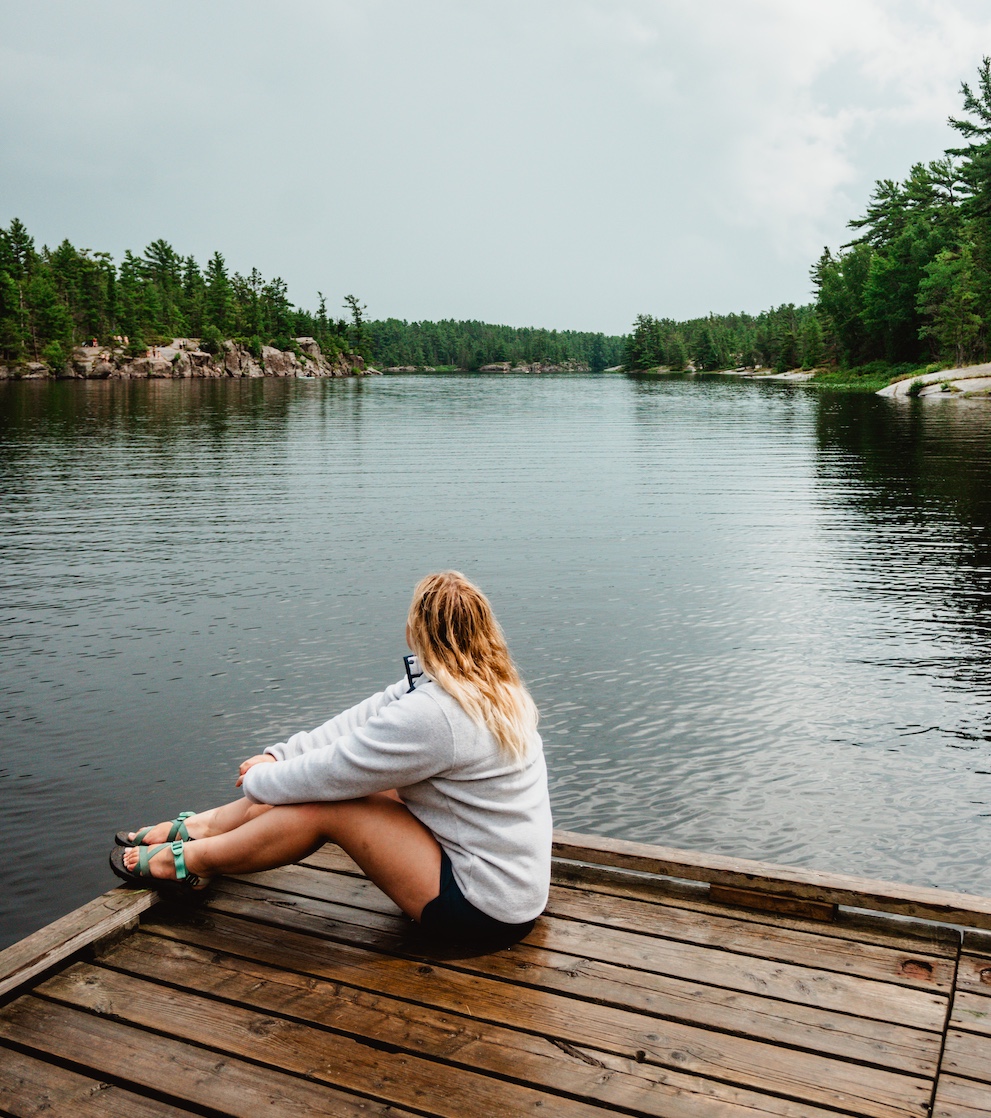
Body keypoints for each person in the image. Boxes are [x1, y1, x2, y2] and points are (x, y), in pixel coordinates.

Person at [111, 571, 552, 946]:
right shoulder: (485, 686)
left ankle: (192, 862)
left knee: (326, 805)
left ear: (417, 629)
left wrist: (260, 780)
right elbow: (355, 725)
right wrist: (277, 755)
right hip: (506, 889)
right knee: (332, 783)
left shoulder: (438, 713)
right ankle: (201, 828)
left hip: (482, 912)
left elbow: (330, 775)